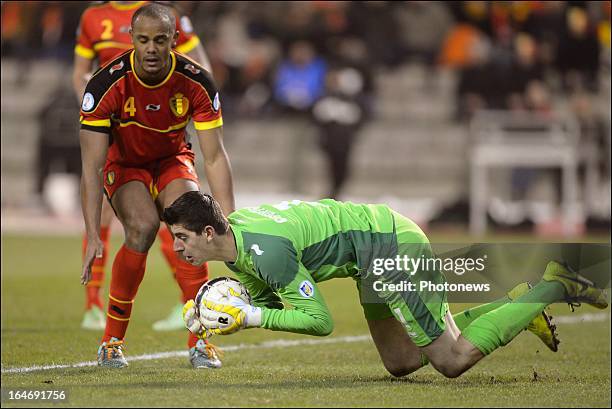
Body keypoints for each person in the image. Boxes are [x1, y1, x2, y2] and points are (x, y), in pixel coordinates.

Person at [166, 192, 608, 378]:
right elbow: (265, 295)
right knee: (401, 363)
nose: (177, 247)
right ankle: (515, 304)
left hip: (388, 248)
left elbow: (319, 322)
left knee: (450, 361)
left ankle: (554, 284)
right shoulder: (238, 243)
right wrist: (211, 312)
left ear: (207, 233)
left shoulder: (268, 251)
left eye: (181, 237)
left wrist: (252, 317)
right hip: (369, 257)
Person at [79, 3, 234, 369]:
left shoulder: (197, 81)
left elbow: (214, 156)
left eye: (160, 40)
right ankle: (112, 342)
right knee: (143, 227)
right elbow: (92, 167)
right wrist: (93, 233)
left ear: (174, 41)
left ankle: (200, 343)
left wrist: (230, 220)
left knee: (193, 229)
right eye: (144, 40)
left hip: (171, 159)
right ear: (131, 40)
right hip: (125, 163)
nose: (151, 48)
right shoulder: (105, 85)